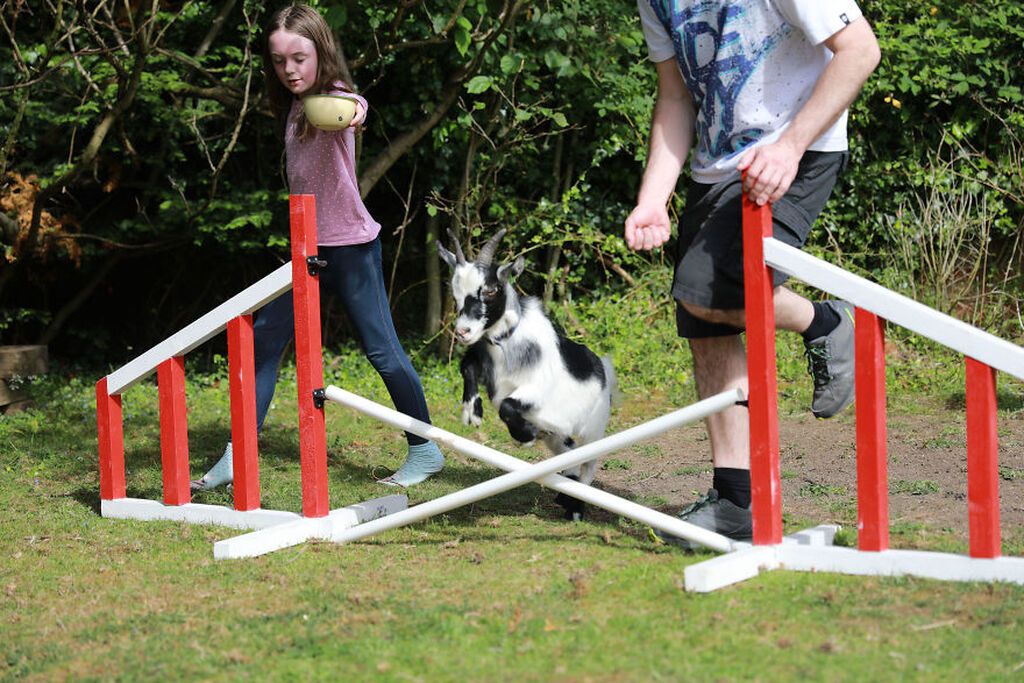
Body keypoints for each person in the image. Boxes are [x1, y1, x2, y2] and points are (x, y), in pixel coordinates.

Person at [626, 1, 880, 545]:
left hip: (798, 151)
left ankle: (824, 322)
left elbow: (860, 51)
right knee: (705, 321)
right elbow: (674, 96)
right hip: (716, 166)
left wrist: (790, 147)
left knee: (706, 289)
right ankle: (736, 504)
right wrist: (654, 199)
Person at [192, 4, 444, 491]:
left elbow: (355, 109)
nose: (290, 69)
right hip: (305, 250)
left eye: (300, 58)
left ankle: (424, 448)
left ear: (321, 52)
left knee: (383, 352)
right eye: (280, 60)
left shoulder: (332, 100)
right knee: (265, 342)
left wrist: (354, 111)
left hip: (350, 246)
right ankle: (235, 454)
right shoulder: (289, 105)